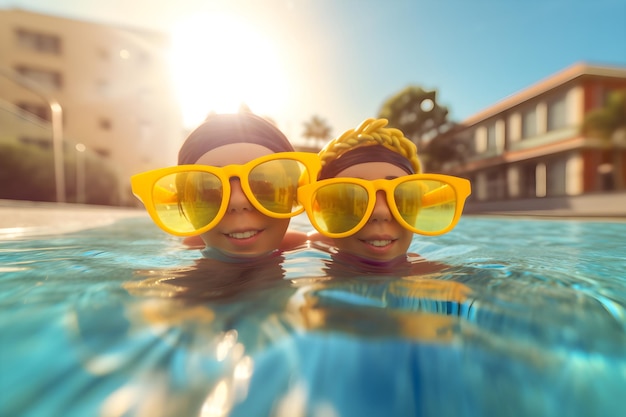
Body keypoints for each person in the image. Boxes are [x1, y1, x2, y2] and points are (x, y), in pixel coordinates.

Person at [131, 111, 320, 261]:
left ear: (294, 194)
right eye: (208, 191)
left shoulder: (302, 242)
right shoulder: (190, 245)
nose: (237, 201)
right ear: (187, 205)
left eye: (264, 186)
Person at [300, 118, 471, 271]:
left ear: (417, 206)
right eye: (351, 198)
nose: (381, 212)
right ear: (322, 212)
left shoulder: (445, 280)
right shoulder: (309, 244)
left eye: (401, 198)